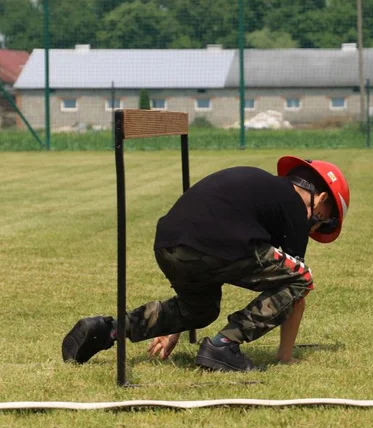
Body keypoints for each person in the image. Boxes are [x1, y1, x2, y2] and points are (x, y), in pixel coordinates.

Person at [61, 157, 350, 372]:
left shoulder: (263, 188)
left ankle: (108, 329)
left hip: (169, 243)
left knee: (200, 308)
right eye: (327, 217)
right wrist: (285, 357)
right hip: (216, 245)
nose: (319, 226)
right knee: (301, 278)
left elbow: (208, 242)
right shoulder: (294, 208)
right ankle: (224, 346)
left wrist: (176, 325)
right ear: (320, 197)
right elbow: (296, 290)